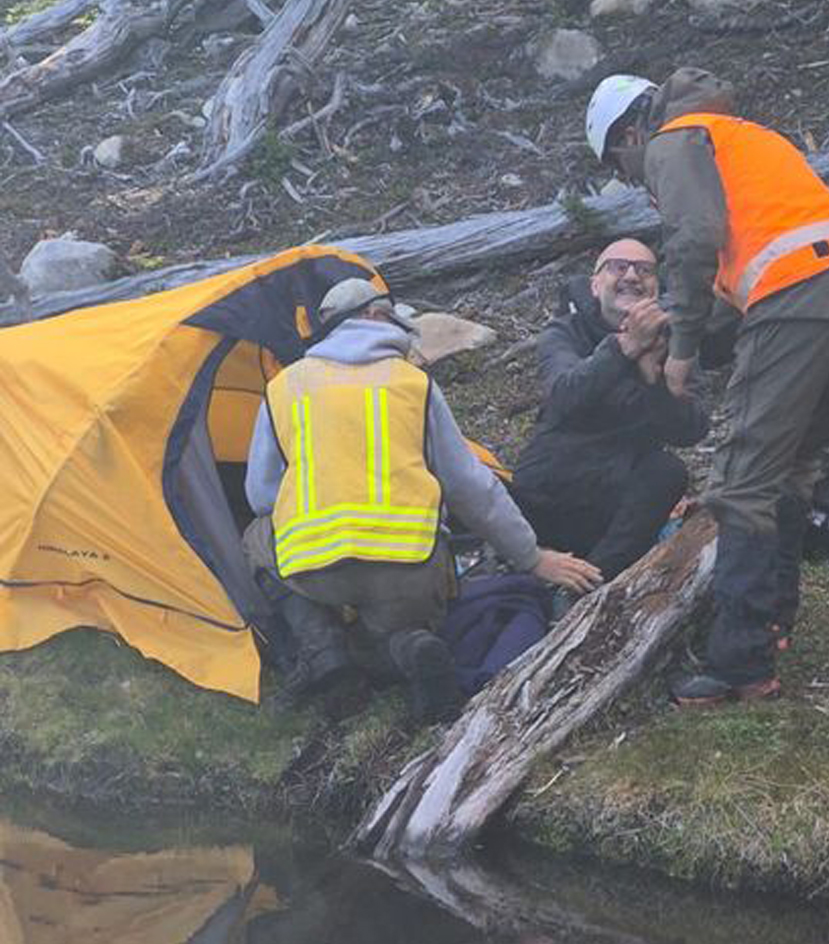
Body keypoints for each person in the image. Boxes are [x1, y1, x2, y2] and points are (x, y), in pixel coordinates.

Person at [585, 68, 829, 706]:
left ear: (628, 136)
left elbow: (693, 240)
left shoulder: (672, 141)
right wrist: (687, 328)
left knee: (740, 480)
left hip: (798, 297)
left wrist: (680, 353)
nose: (634, 180)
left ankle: (738, 662)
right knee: (794, 465)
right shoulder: (739, 135)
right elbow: (746, 261)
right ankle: (771, 623)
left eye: (622, 168)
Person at [243, 277, 602, 719]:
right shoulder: (414, 384)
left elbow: (261, 496)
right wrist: (532, 558)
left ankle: (323, 649)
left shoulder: (284, 387)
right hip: (410, 572)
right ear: (376, 316)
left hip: (317, 572)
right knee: (394, 627)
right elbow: (470, 485)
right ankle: (407, 645)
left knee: (257, 535)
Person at [509, 239, 709, 581]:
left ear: (656, 287)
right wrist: (624, 347)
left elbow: (691, 429)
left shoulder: (672, 340)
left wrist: (654, 382)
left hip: (615, 509)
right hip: (547, 495)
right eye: (618, 267)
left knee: (667, 470)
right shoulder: (564, 332)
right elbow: (564, 396)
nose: (631, 276)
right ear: (595, 284)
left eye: (644, 270)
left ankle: (590, 587)